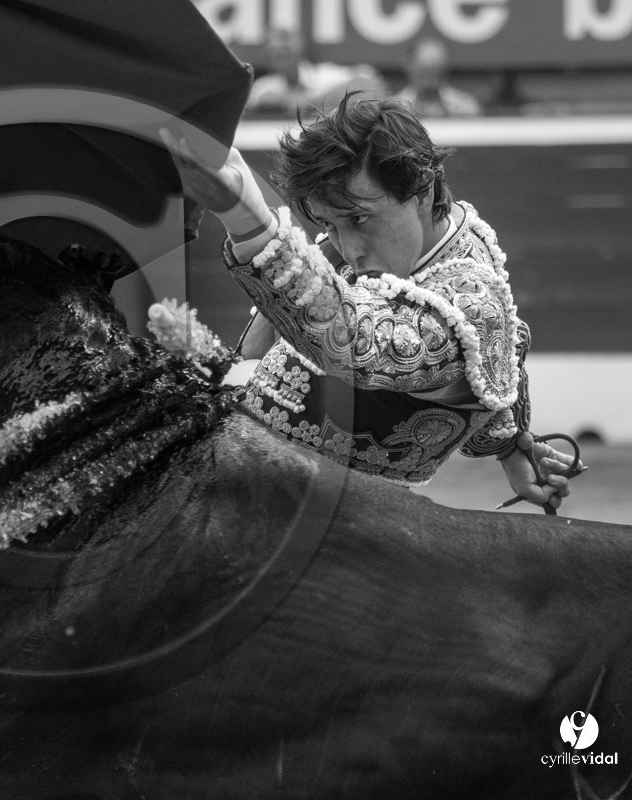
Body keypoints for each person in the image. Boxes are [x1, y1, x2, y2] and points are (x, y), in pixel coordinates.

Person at [162, 94, 578, 510]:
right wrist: (508, 443)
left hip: (319, 518)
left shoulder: (471, 301)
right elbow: (493, 358)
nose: (349, 250)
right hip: (254, 477)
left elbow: (358, 343)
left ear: (421, 192)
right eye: (329, 224)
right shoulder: (438, 243)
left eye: (359, 219)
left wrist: (246, 218)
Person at [247, 27, 385, 116]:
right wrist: (287, 102)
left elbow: (368, 80)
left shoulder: (326, 75)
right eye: (272, 49)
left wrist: (310, 103)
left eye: (285, 44)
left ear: (300, 46)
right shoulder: (264, 86)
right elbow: (255, 102)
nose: (278, 50)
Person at [396, 37, 482, 118]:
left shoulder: (466, 108)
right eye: (424, 72)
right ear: (409, 66)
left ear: (446, 68)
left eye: (435, 71)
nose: (429, 80)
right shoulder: (395, 109)